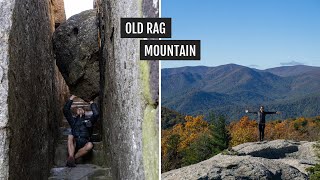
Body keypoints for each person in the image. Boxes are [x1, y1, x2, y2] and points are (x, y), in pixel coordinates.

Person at [64, 95, 99, 167]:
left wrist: (91, 102)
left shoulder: (89, 121)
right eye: (78, 109)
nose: (80, 109)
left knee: (90, 145)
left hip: (84, 142)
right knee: (70, 136)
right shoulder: (73, 121)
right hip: (75, 143)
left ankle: (72, 159)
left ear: (84, 112)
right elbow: (65, 110)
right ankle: (71, 156)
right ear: (76, 112)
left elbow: (96, 114)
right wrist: (71, 98)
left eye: (81, 109)